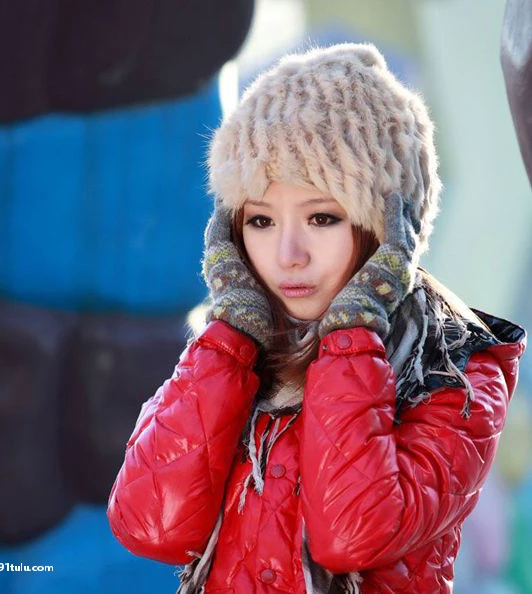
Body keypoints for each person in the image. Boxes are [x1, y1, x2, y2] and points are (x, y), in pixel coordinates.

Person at [106, 43, 527, 593]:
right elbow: (151, 526)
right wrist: (230, 337)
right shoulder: (233, 351)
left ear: (388, 228)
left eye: (322, 218)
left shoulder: (456, 372)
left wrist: (352, 332)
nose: (287, 256)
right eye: (260, 221)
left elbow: (353, 534)